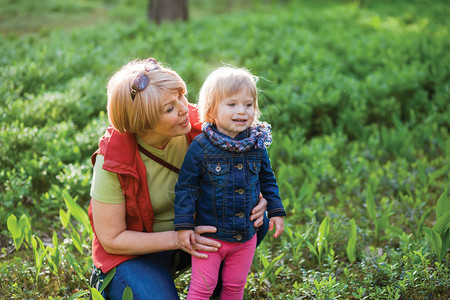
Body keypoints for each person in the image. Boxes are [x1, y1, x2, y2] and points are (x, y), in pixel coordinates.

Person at [88, 58, 269, 299]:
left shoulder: (203, 126)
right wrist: (178, 238)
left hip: (199, 235)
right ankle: (119, 282)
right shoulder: (113, 158)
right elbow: (112, 239)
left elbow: (249, 164)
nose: (185, 108)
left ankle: (216, 290)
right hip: (138, 253)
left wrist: (258, 196)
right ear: (143, 123)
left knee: (257, 220)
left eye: (180, 96)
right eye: (169, 108)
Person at [174, 66, 286, 299]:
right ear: (212, 110)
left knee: (235, 287)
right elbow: (187, 187)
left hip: (244, 237)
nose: (242, 111)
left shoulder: (257, 143)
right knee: (202, 288)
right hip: (211, 237)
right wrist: (184, 225)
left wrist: (275, 209)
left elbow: (267, 178)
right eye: (232, 104)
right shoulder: (201, 147)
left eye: (248, 104)